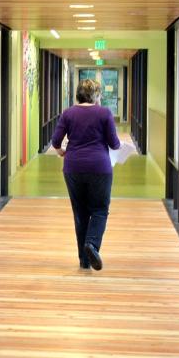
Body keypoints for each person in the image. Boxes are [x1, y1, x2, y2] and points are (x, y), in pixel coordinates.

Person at [51, 79, 120, 271]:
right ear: (96, 95)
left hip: (73, 167)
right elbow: (114, 144)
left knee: (80, 213)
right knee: (99, 210)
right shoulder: (104, 113)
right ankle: (92, 244)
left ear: (78, 94)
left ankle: (84, 260)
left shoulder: (68, 113)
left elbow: (56, 140)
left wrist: (61, 152)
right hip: (100, 168)